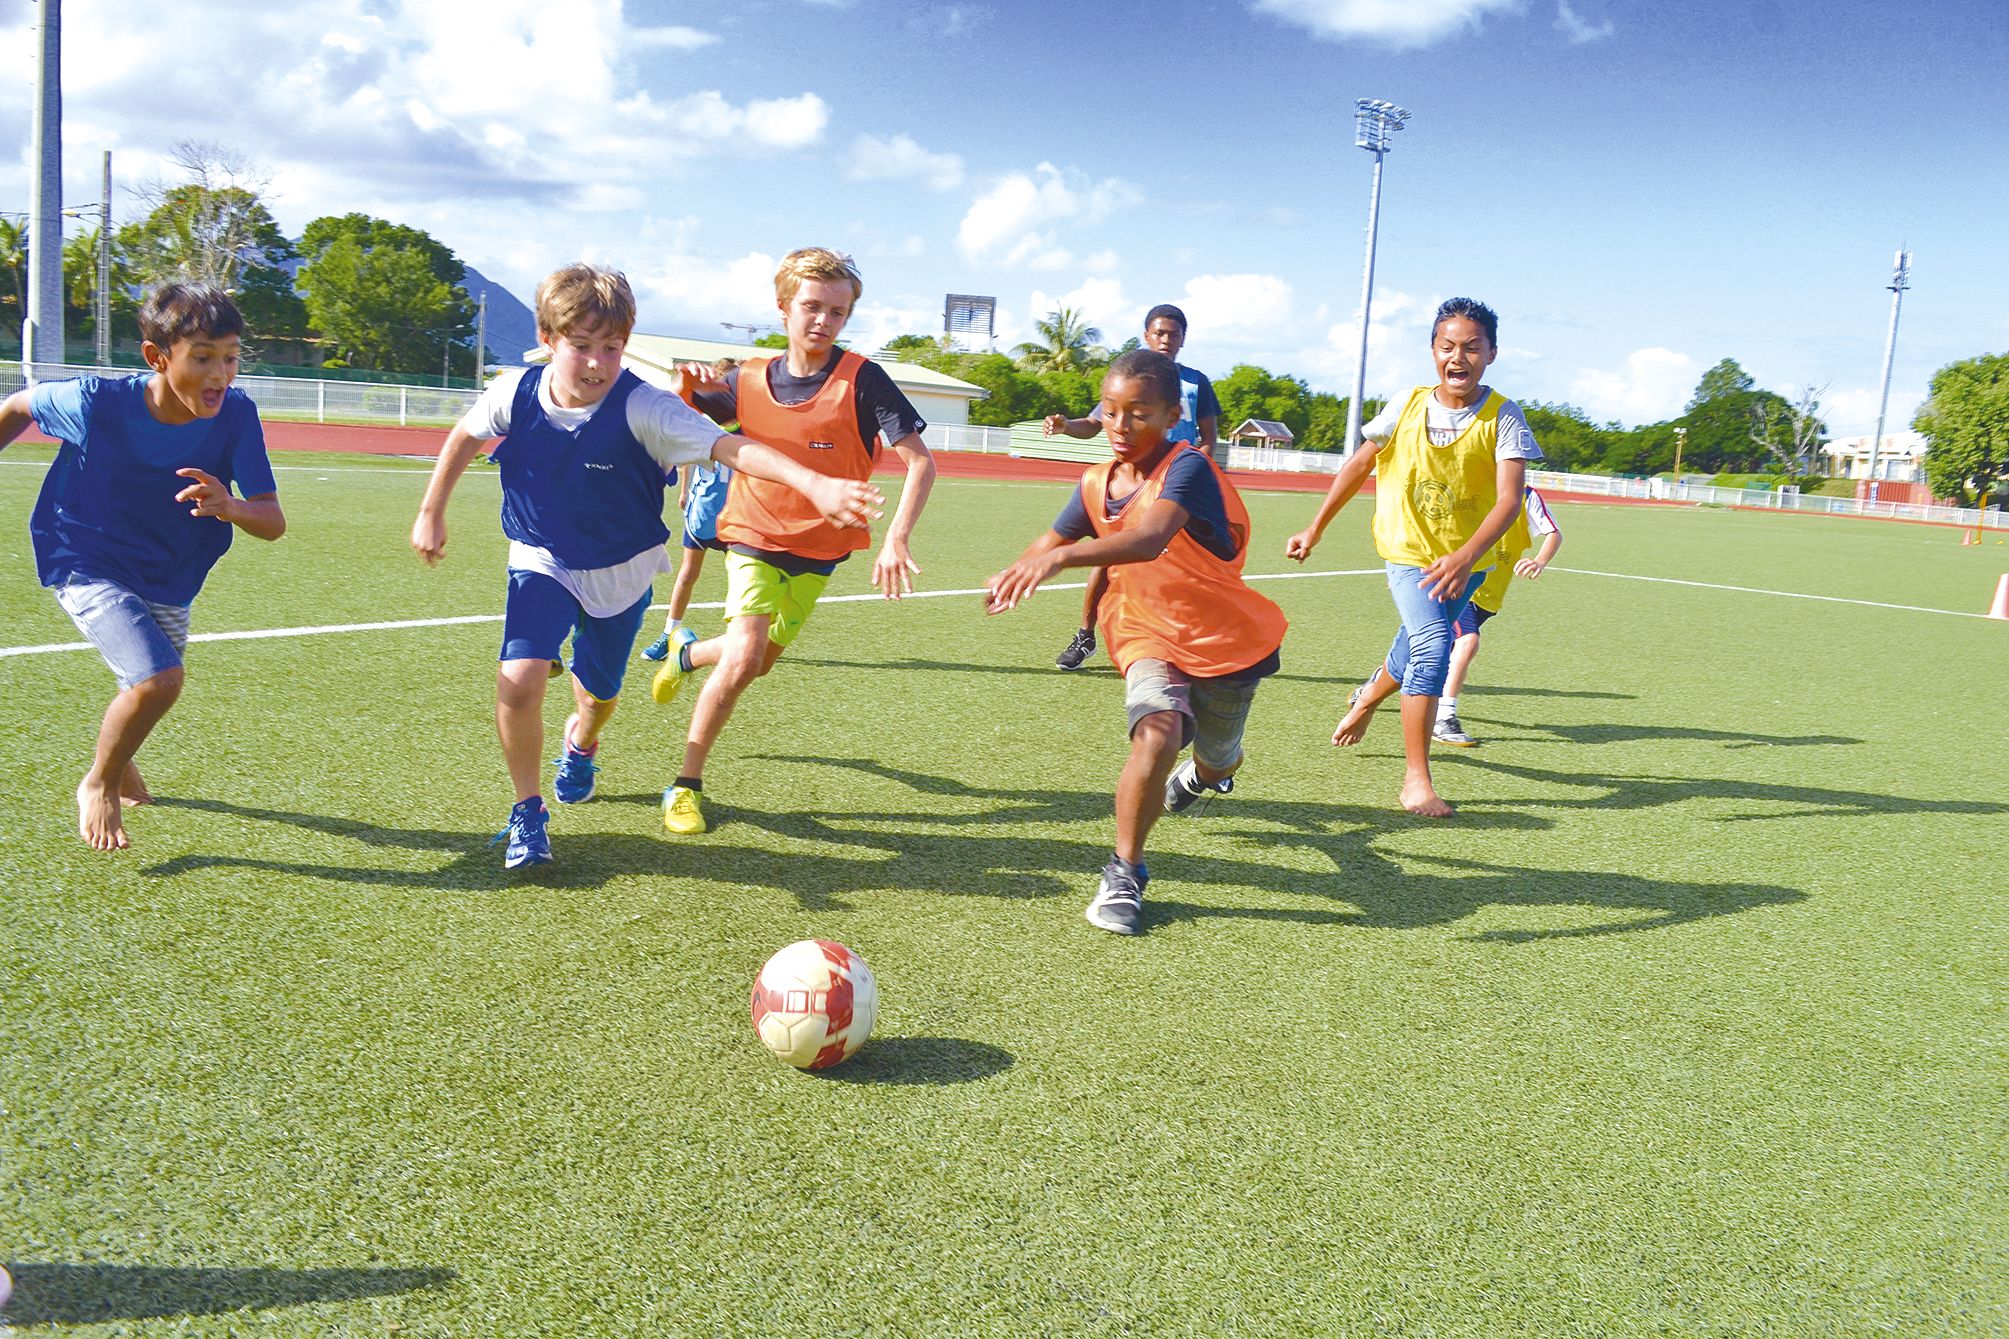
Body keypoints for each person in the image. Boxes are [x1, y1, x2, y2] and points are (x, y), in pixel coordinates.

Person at [409, 263, 882, 869]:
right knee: (520, 677)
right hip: (541, 555)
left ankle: (581, 743)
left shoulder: (645, 408)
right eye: (581, 347)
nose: (598, 363)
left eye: (612, 348)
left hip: (622, 571)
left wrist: (813, 482)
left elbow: (732, 447)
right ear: (549, 340)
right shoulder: (513, 391)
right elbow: (464, 436)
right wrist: (431, 512)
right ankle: (527, 811)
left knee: (597, 695)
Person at [988, 349, 1286, 936]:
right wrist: (1014, 569)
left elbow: (1149, 538)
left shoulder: (1189, 468)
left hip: (1224, 638)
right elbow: (1054, 534)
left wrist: (1061, 559)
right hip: (1143, 627)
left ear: (1173, 415)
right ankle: (1124, 871)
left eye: (1139, 414)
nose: (1120, 427)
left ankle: (1204, 776)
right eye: (1111, 410)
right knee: (1158, 731)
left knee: (1216, 756)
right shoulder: (1096, 480)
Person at [649, 247, 937, 837]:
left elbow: (920, 463)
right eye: (811, 307)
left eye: (837, 311)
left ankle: (687, 653)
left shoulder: (863, 380)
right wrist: (692, 384)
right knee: (747, 654)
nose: (823, 321)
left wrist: (896, 539)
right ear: (783, 308)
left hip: (823, 548)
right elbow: (685, 413)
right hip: (753, 533)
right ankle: (684, 784)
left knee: (757, 661)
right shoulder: (748, 379)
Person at [0, 283, 286, 850]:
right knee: (159, 679)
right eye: (202, 357)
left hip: (171, 573)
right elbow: (15, 405)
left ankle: (120, 762)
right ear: (158, 357)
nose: (219, 374)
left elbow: (273, 520)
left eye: (229, 357)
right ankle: (99, 782)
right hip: (81, 554)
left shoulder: (237, 414)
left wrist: (230, 507)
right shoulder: (94, 402)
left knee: (148, 677)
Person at [1283, 297, 1542, 818]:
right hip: (1407, 551)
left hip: (1468, 561)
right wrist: (1315, 526)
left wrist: (1468, 556)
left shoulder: (1504, 416)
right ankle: (1416, 781)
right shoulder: (1406, 404)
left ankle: (1367, 700)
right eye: (1447, 346)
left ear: (1492, 353)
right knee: (1433, 646)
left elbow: (1511, 499)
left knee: (1411, 648)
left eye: (1471, 347)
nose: (1458, 356)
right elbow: (1360, 465)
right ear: (1432, 350)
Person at [1042, 304, 1221, 671]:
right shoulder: (1134, 378)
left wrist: (1193, 472)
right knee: (1106, 557)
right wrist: (1065, 425)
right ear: (1146, 336)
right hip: (1135, 484)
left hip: (1176, 486)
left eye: (1173, 334)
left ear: (1183, 339)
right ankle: (1085, 635)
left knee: (1186, 569)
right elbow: (1092, 424)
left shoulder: (1195, 383)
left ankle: (1179, 644)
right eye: (1158, 333)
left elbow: (1208, 437)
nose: (1165, 339)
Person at [1433, 486, 1562, 747]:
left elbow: (1553, 534)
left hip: (1490, 596)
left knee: (1434, 650)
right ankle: (1444, 717)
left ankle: (1376, 685)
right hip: (1460, 583)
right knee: (1467, 641)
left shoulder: (1526, 497)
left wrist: (1539, 561)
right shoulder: (1470, 484)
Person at [641, 357, 740, 664]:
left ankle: (738, 639)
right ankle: (669, 633)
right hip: (702, 514)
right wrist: (684, 491)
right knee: (687, 575)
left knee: (740, 580)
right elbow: (686, 459)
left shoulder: (747, 428)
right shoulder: (701, 425)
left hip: (736, 520)